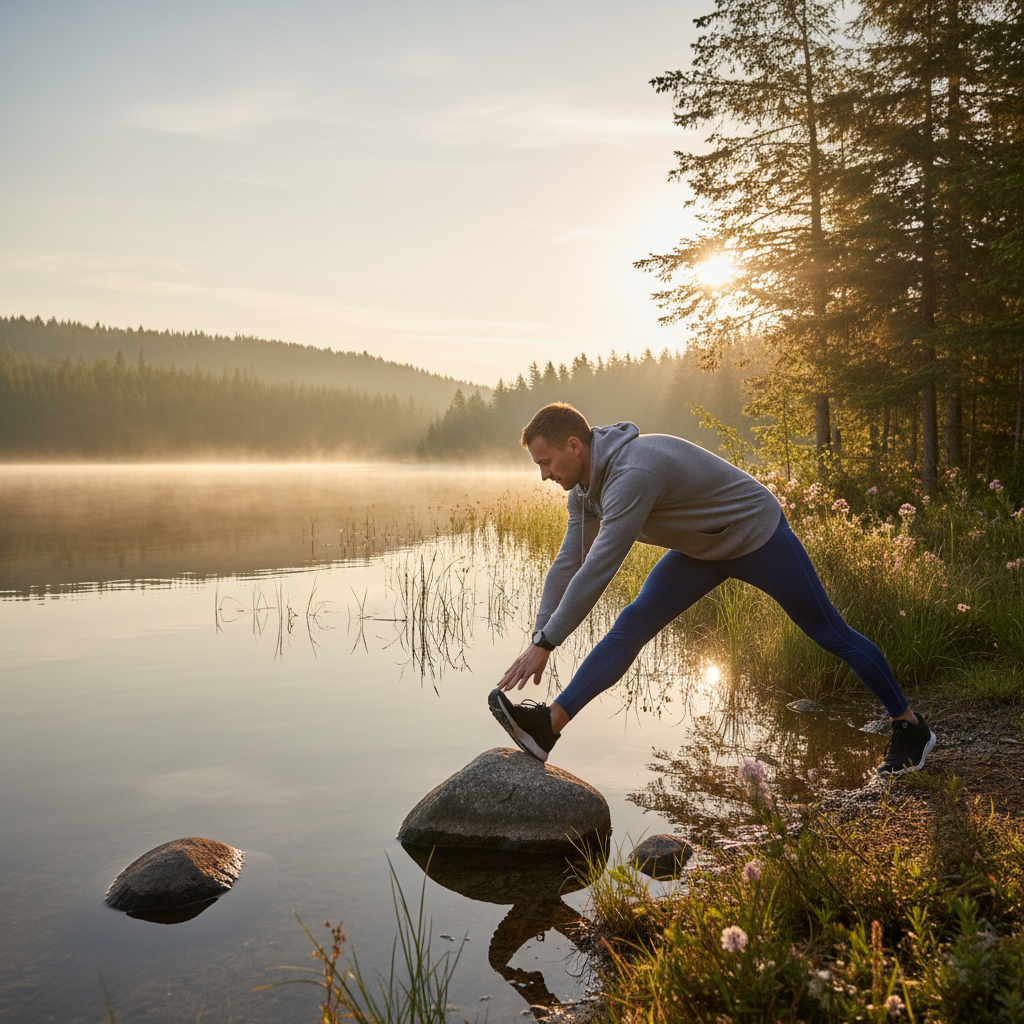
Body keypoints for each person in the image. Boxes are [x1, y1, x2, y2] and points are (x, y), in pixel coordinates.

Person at [487, 402, 936, 776]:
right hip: (702, 549)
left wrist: (548, 642)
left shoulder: (632, 473)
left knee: (828, 631)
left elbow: (597, 570)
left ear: (574, 445)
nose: (544, 474)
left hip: (755, 535)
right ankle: (549, 724)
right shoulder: (584, 492)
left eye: (545, 462)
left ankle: (910, 726)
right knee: (635, 621)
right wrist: (538, 635)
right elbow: (569, 562)